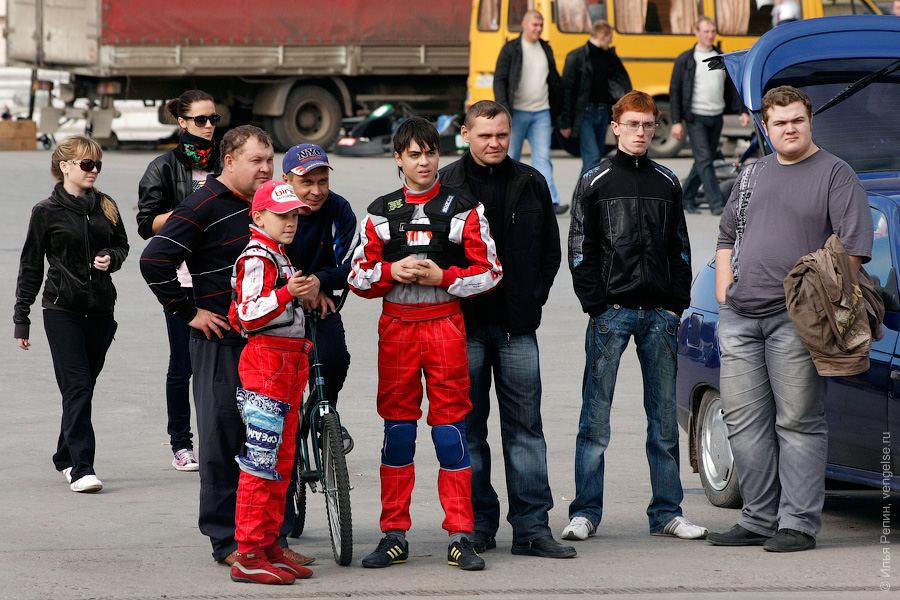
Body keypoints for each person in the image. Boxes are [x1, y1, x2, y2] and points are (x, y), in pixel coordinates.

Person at [709, 86, 872, 552]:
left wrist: (815, 302)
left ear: (810, 121)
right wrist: (724, 290)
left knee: (798, 421)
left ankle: (797, 525)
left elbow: (854, 250)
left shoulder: (835, 173)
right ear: (766, 127)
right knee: (743, 421)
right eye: (779, 123)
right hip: (740, 316)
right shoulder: (752, 172)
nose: (789, 129)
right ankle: (758, 519)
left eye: (797, 120)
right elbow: (726, 235)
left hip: (796, 321)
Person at [140, 126, 312, 567]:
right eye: (257, 161)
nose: (267, 169)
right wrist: (189, 312)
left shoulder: (270, 205)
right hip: (221, 342)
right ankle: (227, 540)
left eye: (270, 160)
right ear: (229, 161)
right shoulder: (203, 204)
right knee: (223, 440)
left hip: (269, 346)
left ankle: (271, 537)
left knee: (268, 442)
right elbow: (154, 259)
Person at [348, 117, 502, 571]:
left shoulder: (464, 208)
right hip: (397, 327)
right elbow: (356, 276)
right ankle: (394, 535)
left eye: (430, 153)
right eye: (413, 154)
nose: (423, 162)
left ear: (440, 154)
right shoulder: (380, 211)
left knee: (451, 431)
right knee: (398, 432)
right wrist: (391, 272)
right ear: (398, 158)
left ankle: (461, 536)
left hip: (444, 325)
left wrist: (444, 277)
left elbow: (491, 272)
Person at [565, 90, 706, 542]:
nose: (641, 132)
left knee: (663, 423)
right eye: (632, 124)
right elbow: (579, 248)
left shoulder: (668, 181)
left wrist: (675, 304)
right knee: (595, 422)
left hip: (659, 316)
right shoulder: (595, 180)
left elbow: (680, 247)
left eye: (648, 125)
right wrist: (596, 304)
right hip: (612, 314)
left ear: (655, 127)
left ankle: (667, 513)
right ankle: (585, 512)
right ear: (616, 127)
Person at [440, 100, 576, 560]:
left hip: (518, 328)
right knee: (469, 430)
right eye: (485, 135)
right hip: (463, 329)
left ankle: (532, 528)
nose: (495, 143)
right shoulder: (445, 186)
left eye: (502, 134)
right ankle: (478, 525)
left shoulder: (531, 182)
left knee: (526, 431)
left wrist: (532, 299)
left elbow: (550, 252)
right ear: (465, 134)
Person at [14, 135, 129, 493]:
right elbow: (31, 266)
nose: (94, 170)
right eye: (87, 164)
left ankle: (63, 456)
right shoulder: (45, 212)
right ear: (65, 166)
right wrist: (22, 317)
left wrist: (111, 257)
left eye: (97, 164)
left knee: (82, 389)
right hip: (61, 310)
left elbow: (122, 244)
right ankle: (82, 468)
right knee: (77, 386)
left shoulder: (106, 205)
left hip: (101, 311)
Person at [227, 181, 315, 585]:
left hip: (288, 361)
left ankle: (268, 545)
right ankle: (247, 552)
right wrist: (285, 294)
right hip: (267, 361)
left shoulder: (277, 253)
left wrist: (298, 294)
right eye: (282, 215)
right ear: (259, 217)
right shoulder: (257, 256)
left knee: (280, 459)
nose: (291, 222)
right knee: (261, 461)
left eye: (294, 214)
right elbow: (247, 314)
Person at [137, 89, 221, 472]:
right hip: (182, 280)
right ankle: (181, 444)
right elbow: (145, 223)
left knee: (222, 365)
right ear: (182, 122)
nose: (208, 126)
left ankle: (219, 440)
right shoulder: (163, 167)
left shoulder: (225, 160)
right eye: (200, 120)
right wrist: (190, 214)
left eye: (213, 119)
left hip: (220, 278)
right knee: (183, 364)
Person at [281, 143, 357, 452]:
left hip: (322, 300)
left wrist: (320, 281)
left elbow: (355, 263)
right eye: (307, 182)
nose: (316, 191)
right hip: (279, 303)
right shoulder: (273, 209)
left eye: (322, 181)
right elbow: (264, 258)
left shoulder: (339, 209)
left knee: (335, 359)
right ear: (287, 181)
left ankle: (324, 416)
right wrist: (301, 290)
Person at [669, 16, 750, 215]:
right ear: (696, 32)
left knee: (702, 161)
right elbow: (675, 90)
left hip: (716, 117)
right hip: (695, 117)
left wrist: (741, 110)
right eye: (706, 31)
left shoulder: (721, 58)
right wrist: (676, 121)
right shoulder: (686, 59)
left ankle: (684, 199)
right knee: (705, 160)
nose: (710, 35)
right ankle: (716, 204)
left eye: (713, 31)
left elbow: (732, 88)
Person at [493, 9, 567, 214]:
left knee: (543, 159)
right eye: (535, 25)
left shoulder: (545, 48)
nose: (538, 29)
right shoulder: (511, 49)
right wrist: (504, 111)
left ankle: (551, 201)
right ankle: (506, 198)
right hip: (515, 113)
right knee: (511, 157)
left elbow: (554, 81)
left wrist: (555, 115)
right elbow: (500, 79)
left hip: (541, 113)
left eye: (541, 25)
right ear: (524, 25)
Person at [559, 20, 632, 175]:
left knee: (596, 158)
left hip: (603, 112)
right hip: (584, 114)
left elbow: (621, 81)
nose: (611, 41)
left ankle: (584, 190)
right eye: (610, 37)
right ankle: (584, 191)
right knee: (592, 157)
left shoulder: (610, 57)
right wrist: (565, 122)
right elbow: (566, 91)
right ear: (603, 35)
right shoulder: (576, 57)